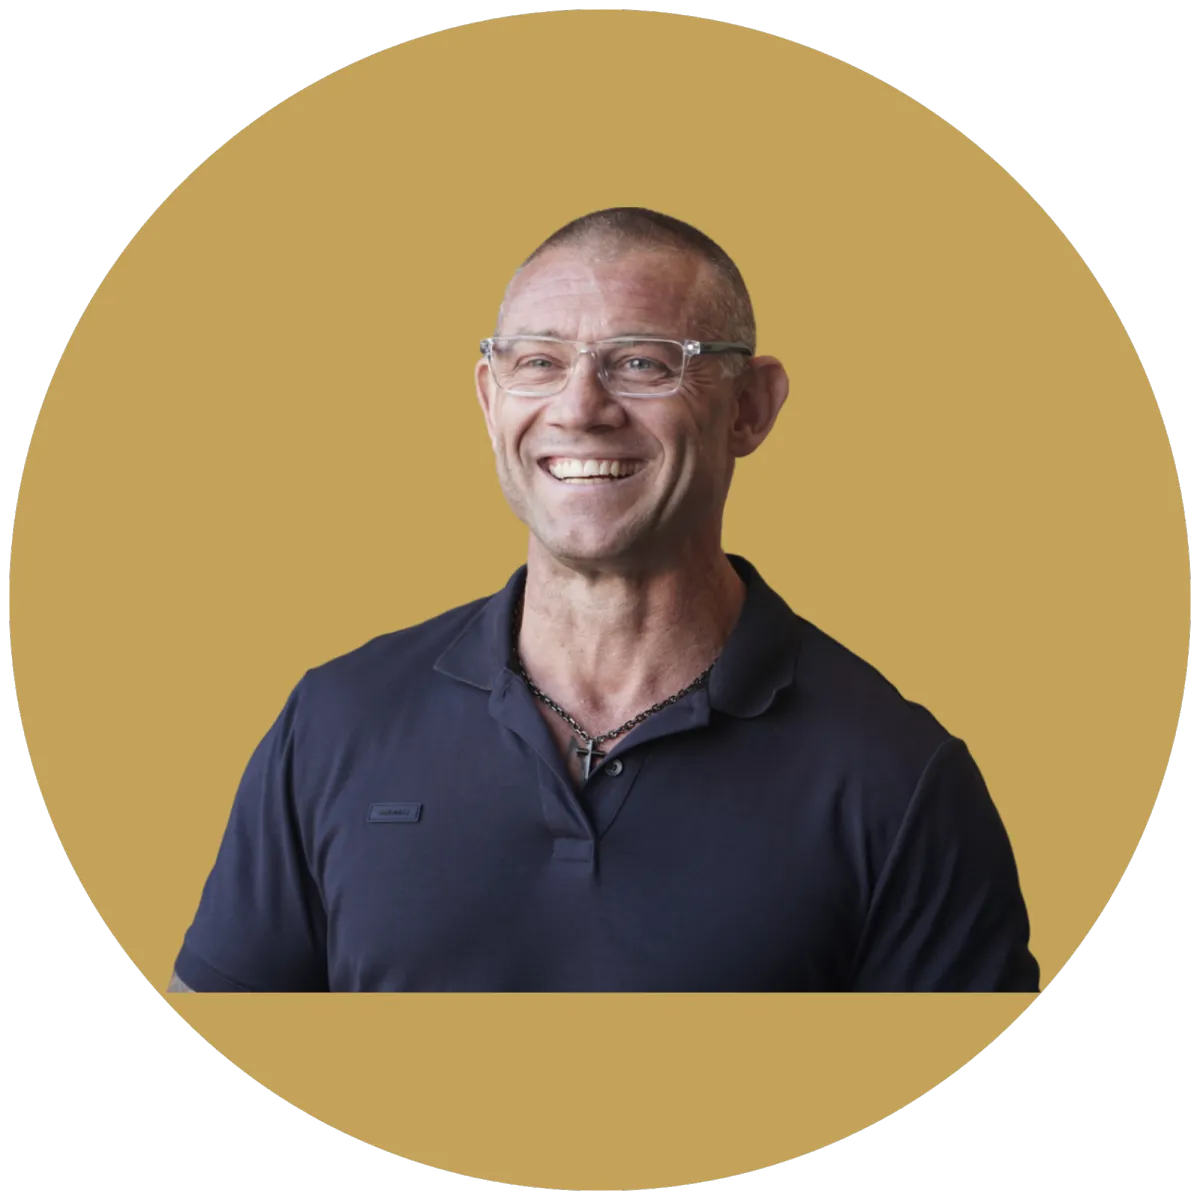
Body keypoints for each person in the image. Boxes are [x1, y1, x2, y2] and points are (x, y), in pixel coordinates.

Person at [170, 207, 1039, 993]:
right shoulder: (334, 722)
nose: (580, 408)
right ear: (490, 398)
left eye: (641, 363)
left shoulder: (898, 778)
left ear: (750, 408)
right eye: (538, 363)